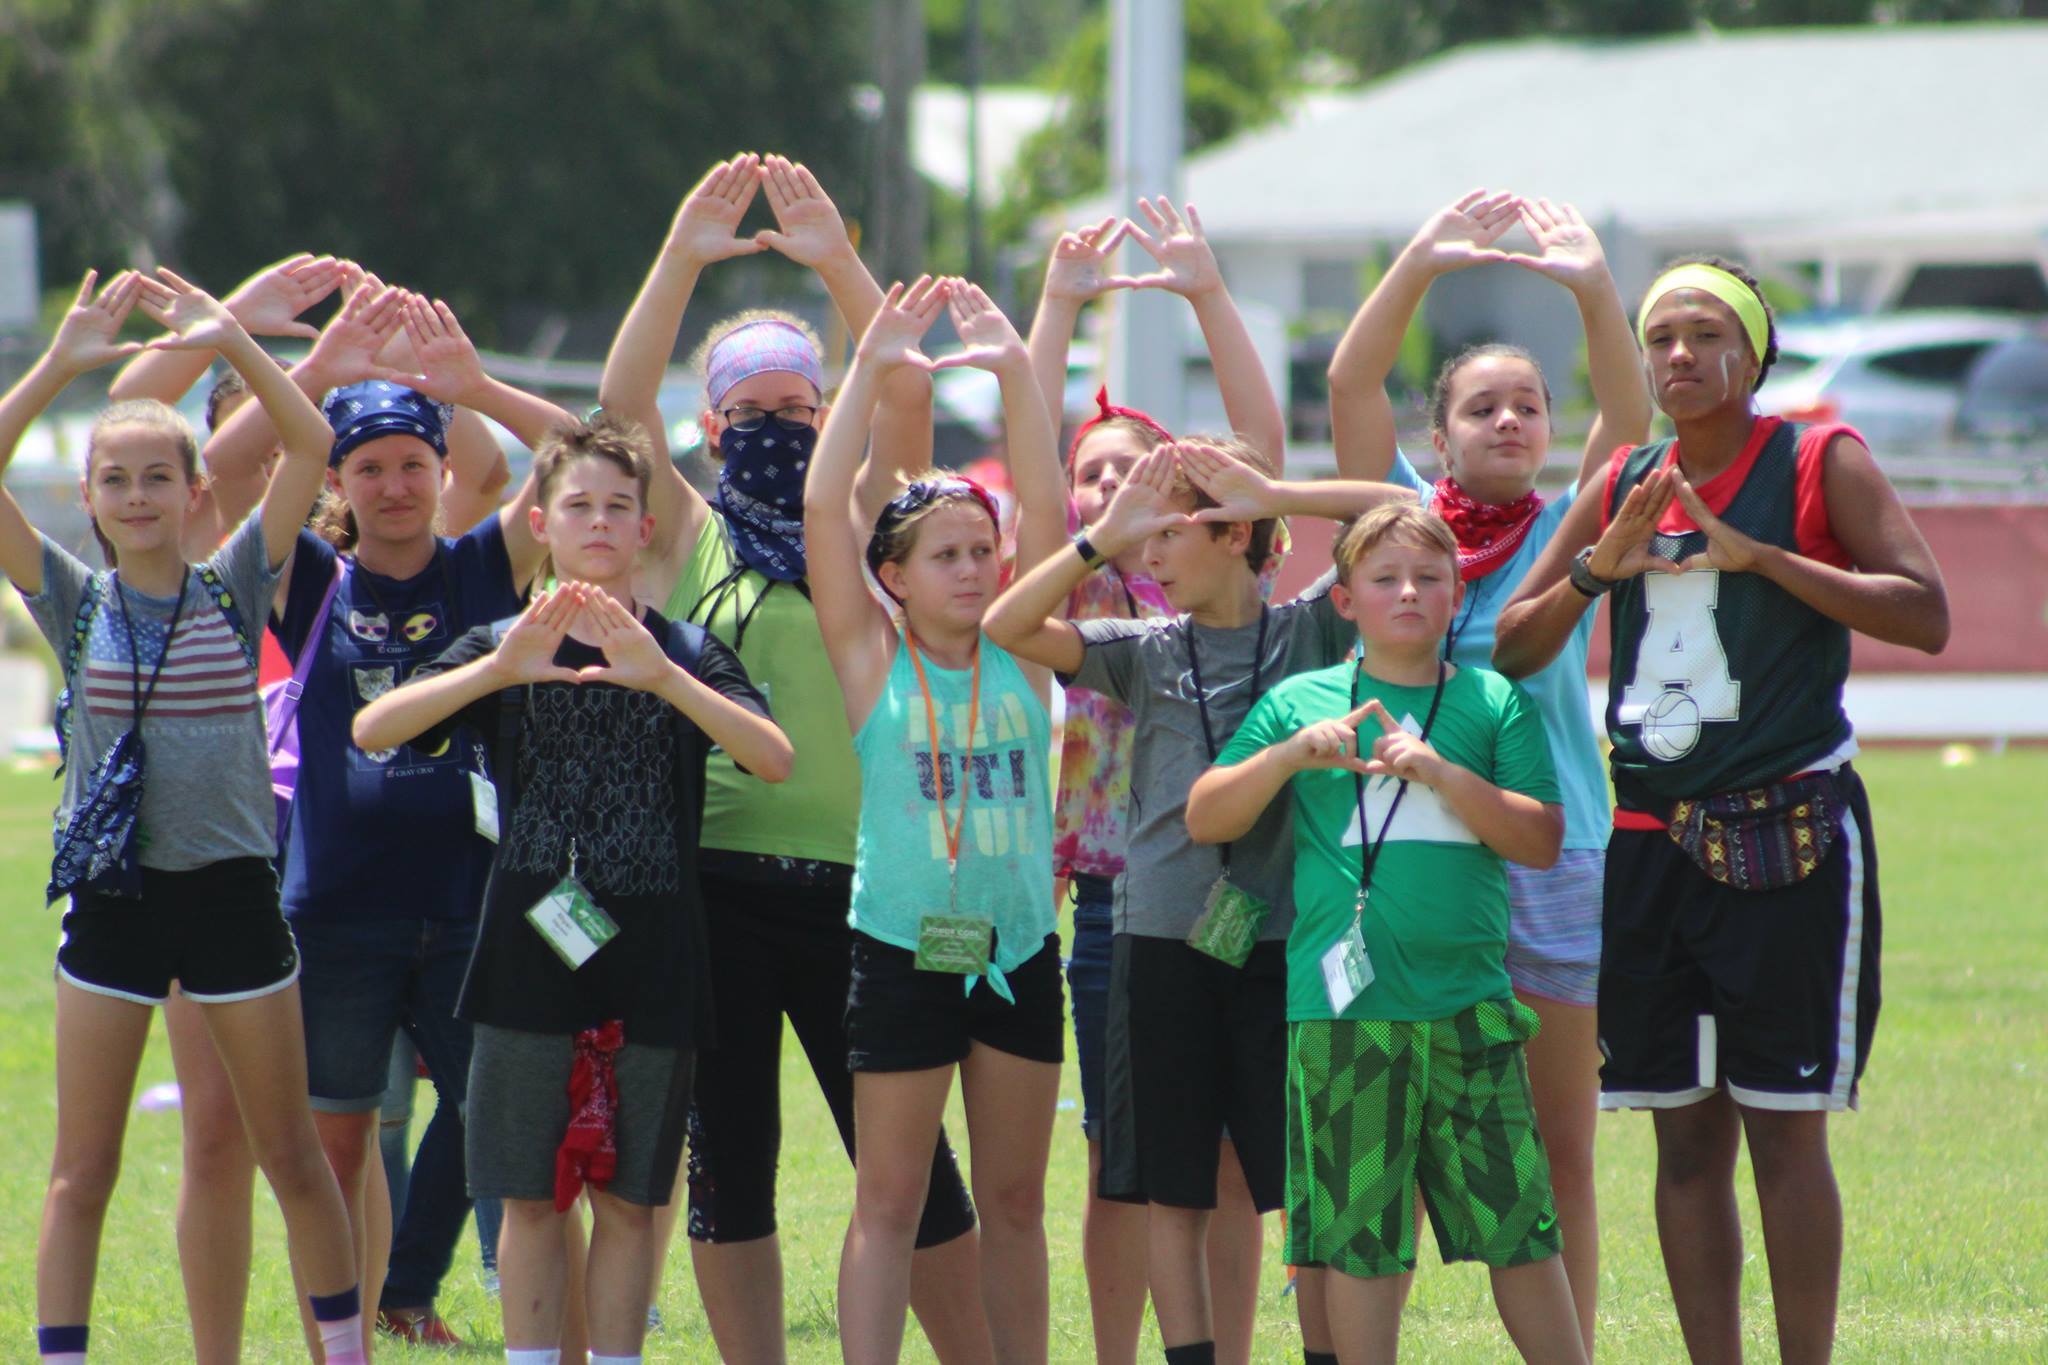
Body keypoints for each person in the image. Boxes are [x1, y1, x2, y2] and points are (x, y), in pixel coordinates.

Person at [1494, 257, 1949, 1365]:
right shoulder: (1620, 479)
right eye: (1660, 338)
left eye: (1705, 335)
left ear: (1753, 354)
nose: (1679, 356)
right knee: (1680, 1141)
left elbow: (1925, 613)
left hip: (1782, 832)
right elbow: (1512, 644)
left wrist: (1763, 559)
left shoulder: (1813, 460)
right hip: (1649, 842)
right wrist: (1598, 571)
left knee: (1781, 1134)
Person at [600, 154, 989, 1363]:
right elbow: (614, 415)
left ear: (825, 415)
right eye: (751, 413)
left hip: (867, 891)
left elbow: (907, 397)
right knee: (731, 1165)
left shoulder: (861, 528)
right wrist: (678, 256)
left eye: (795, 408)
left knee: (913, 1170)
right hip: (714, 890)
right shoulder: (684, 536)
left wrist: (833, 259)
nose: (775, 429)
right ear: (710, 426)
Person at [106, 254, 514, 1358]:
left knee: (351, 1134)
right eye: (351, 456)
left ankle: (363, 1329)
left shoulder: (400, 560)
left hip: (350, 875)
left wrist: (428, 372)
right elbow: (185, 477)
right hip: (231, 853)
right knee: (223, 1137)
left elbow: (474, 472)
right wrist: (285, 351)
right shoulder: (265, 568)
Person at [6, 269, 367, 1364]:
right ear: (91, 494)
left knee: (293, 1156)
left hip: (233, 902)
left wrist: (232, 340)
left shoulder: (235, 582)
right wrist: (63, 364)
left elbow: (306, 443)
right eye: (113, 479)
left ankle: (342, 1352)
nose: (134, 496)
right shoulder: (72, 601)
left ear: (191, 487)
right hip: (115, 908)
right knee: (83, 1170)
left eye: (156, 477)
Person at [202, 286, 571, 1353]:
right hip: (337, 918)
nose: (397, 485)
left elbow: (588, 456)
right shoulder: (307, 578)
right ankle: (350, 1338)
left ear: (443, 469)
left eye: (415, 462)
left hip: (472, 911)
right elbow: (220, 474)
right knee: (337, 1148)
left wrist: (472, 388)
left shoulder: (482, 568)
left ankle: (533, 1334)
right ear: (335, 483)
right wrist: (311, 371)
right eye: (369, 468)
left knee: (510, 1139)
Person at [986, 435, 1406, 1365]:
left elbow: (1405, 520)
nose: (1151, 556)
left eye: (1167, 533)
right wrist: (1100, 537)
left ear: (1234, 531)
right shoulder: (1142, 647)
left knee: (1306, 1186)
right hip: (1160, 939)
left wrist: (1280, 488)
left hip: (1291, 943)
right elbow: (1007, 623)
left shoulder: (1311, 630)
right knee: (1171, 1189)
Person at [1324, 190, 1652, 1354]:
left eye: (1525, 405)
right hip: (1411, 855)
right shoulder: (1398, 530)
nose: (1507, 421)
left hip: (1550, 852)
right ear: (1439, 435)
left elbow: (1631, 409)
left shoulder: (1573, 520)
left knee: (1560, 1145)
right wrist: (1417, 256)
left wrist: (1591, 284)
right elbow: (1347, 389)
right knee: (1399, 1146)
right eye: (1480, 406)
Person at [1184, 502, 1586, 1365]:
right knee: (1359, 1238)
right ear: (1344, 599)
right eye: (1385, 578)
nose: (1409, 592)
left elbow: (1540, 839)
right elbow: (1206, 815)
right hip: (1344, 1018)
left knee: (1518, 1224)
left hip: (1471, 1006)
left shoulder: (1491, 700)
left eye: (1430, 578)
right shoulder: (1302, 700)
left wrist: (1439, 770)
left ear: (1457, 596)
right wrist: (1289, 755)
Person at [1021, 202, 1285, 1365]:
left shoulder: (1208, 583)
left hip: (1243, 904)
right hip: (1116, 908)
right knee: (1120, 1164)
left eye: (1139, 476)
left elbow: (1263, 454)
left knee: (1231, 1164)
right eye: (1095, 479)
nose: (1113, 492)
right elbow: (1031, 465)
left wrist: (1203, 296)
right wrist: (1058, 307)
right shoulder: (1083, 597)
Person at [804, 277, 1067, 1365]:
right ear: (893, 580)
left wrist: (1014, 373)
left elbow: (1049, 514)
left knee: (1012, 1202)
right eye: (945, 556)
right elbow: (825, 510)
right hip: (899, 949)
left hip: (1016, 952)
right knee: (889, 1202)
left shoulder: (1024, 650)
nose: (972, 569)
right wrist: (867, 367)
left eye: (980, 551)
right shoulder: (872, 662)